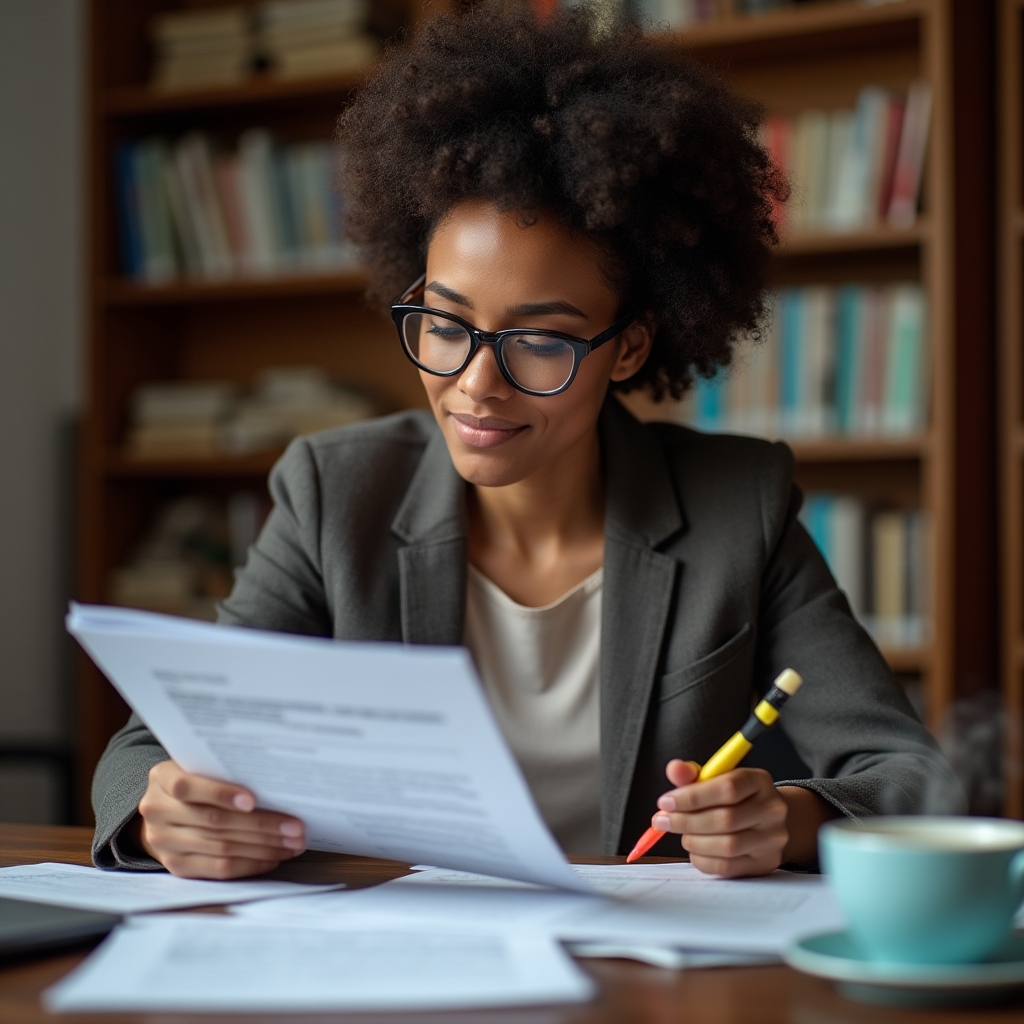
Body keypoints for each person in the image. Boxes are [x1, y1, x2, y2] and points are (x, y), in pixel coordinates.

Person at [91, 3, 964, 880]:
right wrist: (163, 810)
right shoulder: (336, 492)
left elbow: (916, 779)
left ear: (629, 345)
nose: (476, 383)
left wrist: (793, 816)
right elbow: (146, 749)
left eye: (540, 341)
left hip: (642, 975)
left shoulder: (739, 504)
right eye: (445, 325)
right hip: (403, 960)